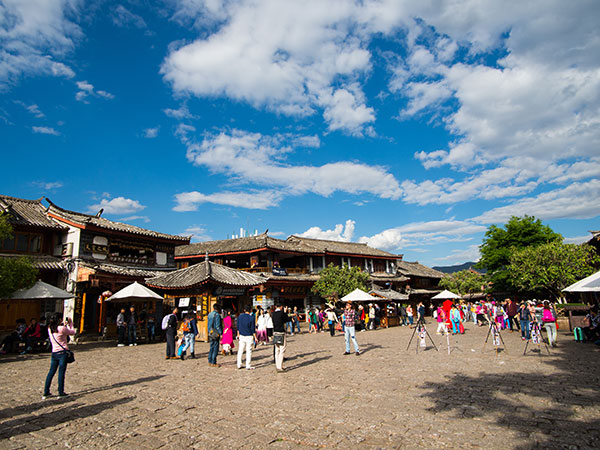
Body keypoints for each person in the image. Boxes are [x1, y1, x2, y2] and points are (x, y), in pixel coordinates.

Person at [43, 315, 76, 399]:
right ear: (59, 320)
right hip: (62, 353)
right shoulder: (62, 328)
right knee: (61, 373)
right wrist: (71, 323)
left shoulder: (50, 328)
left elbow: (60, 332)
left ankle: (46, 392)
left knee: (51, 372)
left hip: (54, 353)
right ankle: (60, 392)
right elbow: (72, 332)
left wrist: (64, 325)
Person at [272, 304, 290, 372]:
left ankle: (277, 365)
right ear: (281, 307)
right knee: (282, 349)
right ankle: (280, 366)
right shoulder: (281, 313)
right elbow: (286, 319)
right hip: (281, 332)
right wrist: (285, 312)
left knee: (277, 349)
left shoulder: (273, 314)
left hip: (275, 332)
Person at [237, 305, 256, 370]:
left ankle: (239, 364)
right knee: (249, 351)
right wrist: (255, 337)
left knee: (240, 350)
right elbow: (253, 329)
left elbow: (238, 327)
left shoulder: (240, 317)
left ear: (244, 310)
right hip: (249, 336)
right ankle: (248, 365)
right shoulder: (251, 318)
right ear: (250, 310)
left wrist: (238, 334)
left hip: (242, 335)